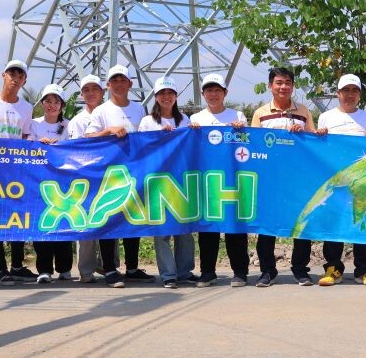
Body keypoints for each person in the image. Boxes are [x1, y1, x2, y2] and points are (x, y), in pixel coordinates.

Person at [86, 64, 156, 287]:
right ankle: (109, 269)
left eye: (122, 80)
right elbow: (88, 138)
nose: (118, 84)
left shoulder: (139, 109)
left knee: (132, 219)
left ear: (130, 84)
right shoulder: (101, 111)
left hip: (134, 170)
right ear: (108, 85)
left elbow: (146, 137)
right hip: (109, 173)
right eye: (114, 80)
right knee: (109, 218)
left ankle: (132, 268)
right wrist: (108, 131)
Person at [0, 60, 39, 285]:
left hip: (16, 171)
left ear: (24, 81)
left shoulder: (27, 108)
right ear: (3, 75)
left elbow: (26, 136)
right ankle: (1, 269)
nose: (15, 78)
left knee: (17, 218)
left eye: (20, 75)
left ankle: (17, 266)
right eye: (12, 73)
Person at [250, 66, 316, 286]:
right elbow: (254, 145)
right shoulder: (260, 113)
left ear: (293, 86)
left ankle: (300, 269)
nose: (283, 87)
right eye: (279, 82)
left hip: (298, 179)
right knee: (267, 227)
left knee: (301, 224)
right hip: (270, 180)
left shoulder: (303, 111)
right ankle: (267, 271)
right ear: (270, 86)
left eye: (287, 82)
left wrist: (303, 134)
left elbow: (314, 144)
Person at [314, 74, 366, 286]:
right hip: (336, 180)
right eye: (346, 90)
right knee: (334, 223)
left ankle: (364, 270)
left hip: (362, 182)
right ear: (338, 93)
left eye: (354, 91)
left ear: (359, 94)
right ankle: (333, 269)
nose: (350, 95)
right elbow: (320, 148)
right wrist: (319, 135)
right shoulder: (326, 117)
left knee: (361, 222)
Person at [189, 73, 251, 287]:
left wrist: (242, 129)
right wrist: (192, 133)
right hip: (208, 180)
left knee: (235, 227)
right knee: (208, 228)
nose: (213, 94)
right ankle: (208, 272)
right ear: (203, 93)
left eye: (217, 90)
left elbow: (247, 143)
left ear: (225, 93)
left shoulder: (237, 115)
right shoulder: (195, 119)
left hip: (233, 179)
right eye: (209, 90)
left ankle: (240, 272)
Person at [138, 77, 195, 289]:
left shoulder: (185, 120)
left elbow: (192, 146)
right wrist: (158, 137)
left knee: (185, 230)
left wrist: (195, 131)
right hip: (157, 180)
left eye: (170, 93)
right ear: (155, 97)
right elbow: (141, 148)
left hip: (182, 180)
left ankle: (184, 271)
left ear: (176, 97)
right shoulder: (147, 122)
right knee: (162, 231)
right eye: (162, 93)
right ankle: (168, 274)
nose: (166, 97)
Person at [65, 74, 118, 282]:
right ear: (81, 94)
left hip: (108, 176)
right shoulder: (77, 121)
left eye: (94, 89)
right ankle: (86, 271)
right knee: (85, 226)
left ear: (102, 91)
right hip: (85, 177)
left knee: (109, 222)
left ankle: (109, 266)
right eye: (86, 90)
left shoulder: (111, 113)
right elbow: (74, 150)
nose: (91, 93)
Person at [29, 83, 74, 283]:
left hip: (64, 181)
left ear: (62, 105)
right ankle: (44, 269)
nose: (51, 105)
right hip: (39, 181)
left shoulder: (69, 125)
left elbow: (75, 147)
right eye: (48, 101)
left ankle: (65, 268)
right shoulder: (34, 124)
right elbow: (27, 145)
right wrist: (40, 144)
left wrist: (60, 145)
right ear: (42, 103)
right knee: (42, 225)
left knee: (64, 222)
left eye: (56, 102)